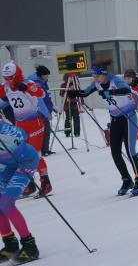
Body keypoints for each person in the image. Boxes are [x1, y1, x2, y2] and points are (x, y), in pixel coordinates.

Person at [67, 59, 138, 196]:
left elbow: (126, 90)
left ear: (104, 74)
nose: (95, 78)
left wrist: (110, 93)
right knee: (115, 152)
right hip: (115, 119)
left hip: (128, 117)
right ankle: (126, 179)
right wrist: (74, 93)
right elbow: (85, 93)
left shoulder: (115, 80)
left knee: (130, 151)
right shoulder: (96, 83)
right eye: (93, 76)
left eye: (97, 76)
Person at [0, 62, 52, 197]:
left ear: (16, 74)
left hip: (35, 122)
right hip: (20, 124)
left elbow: (41, 94)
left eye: (10, 77)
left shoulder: (27, 83)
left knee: (35, 154)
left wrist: (28, 88)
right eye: (5, 77)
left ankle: (45, 182)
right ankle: (29, 184)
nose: (8, 80)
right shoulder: (5, 87)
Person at [0, 121, 40, 263]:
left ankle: (30, 245)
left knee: (6, 203)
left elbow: (22, 134)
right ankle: (10, 244)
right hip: (6, 164)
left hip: (26, 160)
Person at [27, 66, 54, 157]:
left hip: (45, 110)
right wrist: (46, 113)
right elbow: (40, 101)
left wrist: (51, 108)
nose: (48, 77)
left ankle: (44, 149)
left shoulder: (43, 82)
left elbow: (46, 97)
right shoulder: (37, 84)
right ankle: (43, 150)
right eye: (47, 75)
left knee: (46, 130)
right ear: (42, 75)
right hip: (40, 112)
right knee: (45, 130)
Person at [59, 72, 82, 139]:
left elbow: (79, 93)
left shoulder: (76, 84)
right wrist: (68, 89)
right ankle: (67, 132)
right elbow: (61, 94)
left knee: (76, 119)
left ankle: (77, 132)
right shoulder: (63, 85)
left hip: (75, 105)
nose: (71, 79)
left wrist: (81, 102)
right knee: (68, 119)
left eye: (72, 78)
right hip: (67, 105)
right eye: (70, 78)